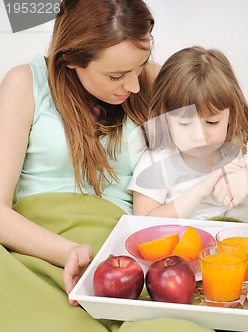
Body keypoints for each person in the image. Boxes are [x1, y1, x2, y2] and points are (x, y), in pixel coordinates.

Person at [0, 1, 212, 331]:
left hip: (128, 255)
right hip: (37, 253)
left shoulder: (152, 80)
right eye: (117, 76)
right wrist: (67, 251)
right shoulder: (24, 84)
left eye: (139, 67)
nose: (136, 86)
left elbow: (221, 132)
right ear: (70, 59)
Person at [129, 46, 248, 224]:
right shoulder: (157, 162)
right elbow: (142, 223)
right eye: (185, 124)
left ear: (231, 115)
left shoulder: (243, 143)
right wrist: (200, 190)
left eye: (212, 122)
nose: (199, 136)